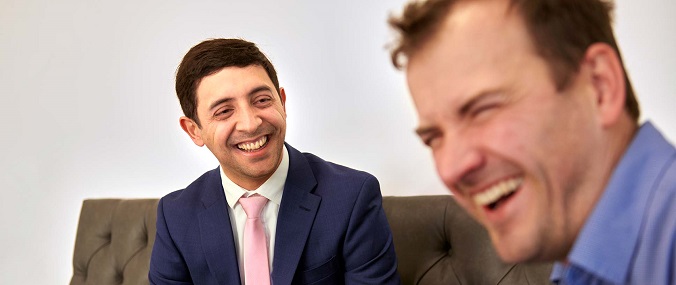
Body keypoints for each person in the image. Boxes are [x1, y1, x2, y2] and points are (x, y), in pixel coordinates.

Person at [388, 0, 676, 284]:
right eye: (434, 139)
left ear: (600, 87)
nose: (451, 169)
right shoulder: (577, 260)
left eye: (482, 111)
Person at [149, 38, 400, 285]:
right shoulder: (176, 217)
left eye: (261, 100)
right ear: (194, 130)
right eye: (224, 111)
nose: (251, 123)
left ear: (282, 102)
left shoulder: (352, 197)